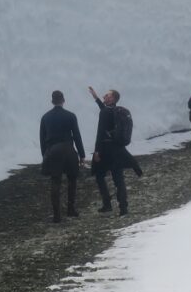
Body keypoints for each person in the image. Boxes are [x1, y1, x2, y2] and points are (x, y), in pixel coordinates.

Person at [87, 86, 141, 217]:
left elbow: (100, 132)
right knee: (118, 178)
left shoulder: (105, 112)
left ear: (113, 98)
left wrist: (97, 151)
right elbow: (105, 111)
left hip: (105, 149)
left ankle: (107, 204)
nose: (104, 96)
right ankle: (123, 208)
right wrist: (96, 98)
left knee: (100, 176)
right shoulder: (116, 111)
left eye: (107, 95)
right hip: (117, 149)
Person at [40, 90, 86, 223]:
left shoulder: (45, 117)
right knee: (72, 179)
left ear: (52, 101)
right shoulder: (70, 116)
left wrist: (45, 154)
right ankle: (71, 209)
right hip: (69, 150)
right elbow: (77, 136)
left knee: (55, 181)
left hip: (53, 150)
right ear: (63, 101)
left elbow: (42, 139)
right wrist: (82, 154)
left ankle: (57, 215)